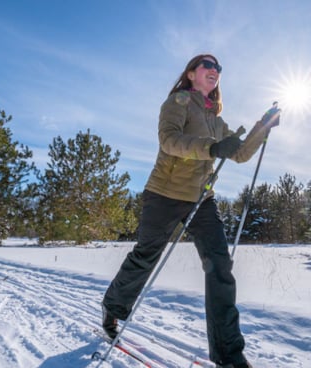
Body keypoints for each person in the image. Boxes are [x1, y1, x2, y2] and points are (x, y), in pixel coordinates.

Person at [101, 54, 280, 368]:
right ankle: (113, 307)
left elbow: (237, 153)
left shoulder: (215, 117)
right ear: (192, 73)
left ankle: (229, 355)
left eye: (219, 68)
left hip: (201, 199)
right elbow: (169, 141)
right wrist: (211, 147)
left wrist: (261, 126)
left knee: (220, 266)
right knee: (146, 255)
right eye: (208, 66)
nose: (215, 71)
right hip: (164, 194)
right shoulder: (178, 102)